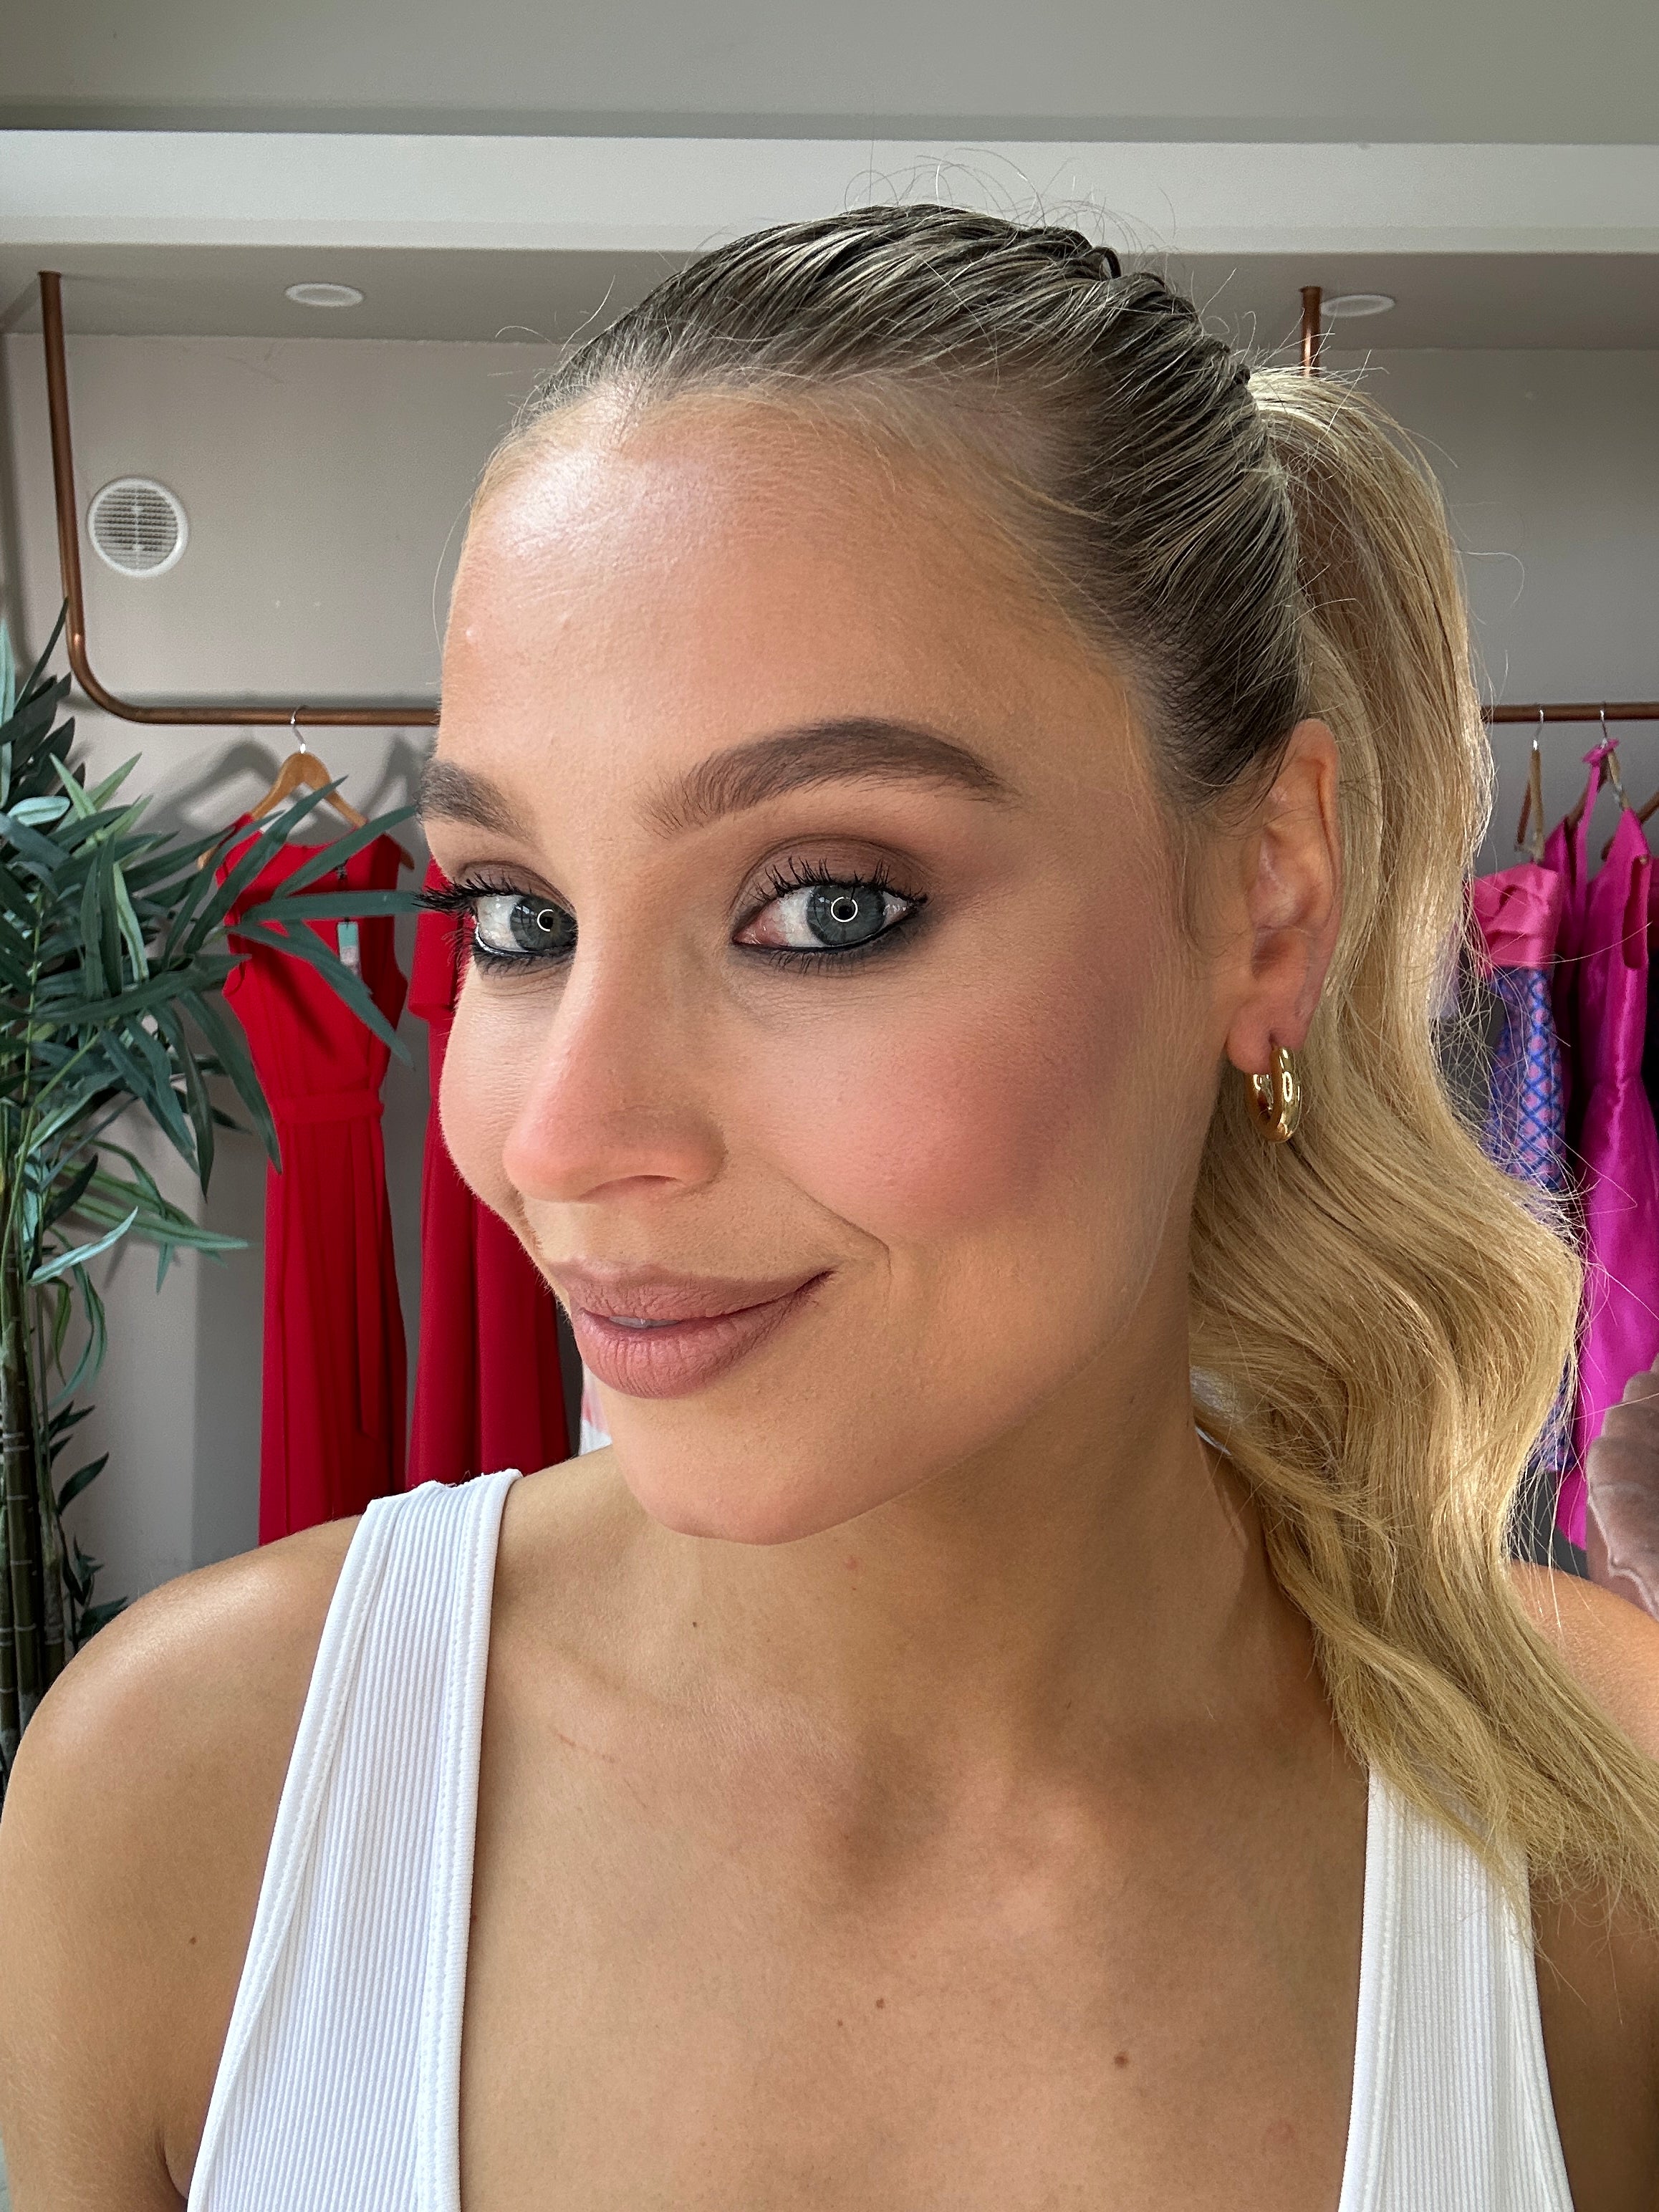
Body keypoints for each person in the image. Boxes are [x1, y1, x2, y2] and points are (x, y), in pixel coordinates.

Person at [2, 206, 1658, 2210]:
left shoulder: (1605, 1817)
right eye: (515, 917)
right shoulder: (181, 1799)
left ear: (1266, 901)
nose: (559, 1134)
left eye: (829, 907)